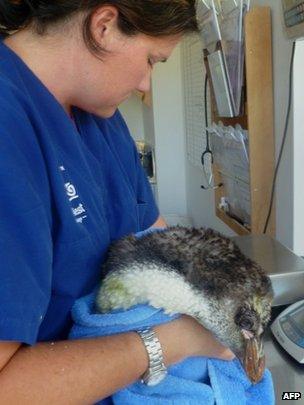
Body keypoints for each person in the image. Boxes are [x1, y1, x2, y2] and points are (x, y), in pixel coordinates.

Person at [0, 1, 234, 403]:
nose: (146, 84)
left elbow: (159, 242)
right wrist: (167, 342)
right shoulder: (10, 130)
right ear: (104, 25)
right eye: (151, 61)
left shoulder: (100, 117)